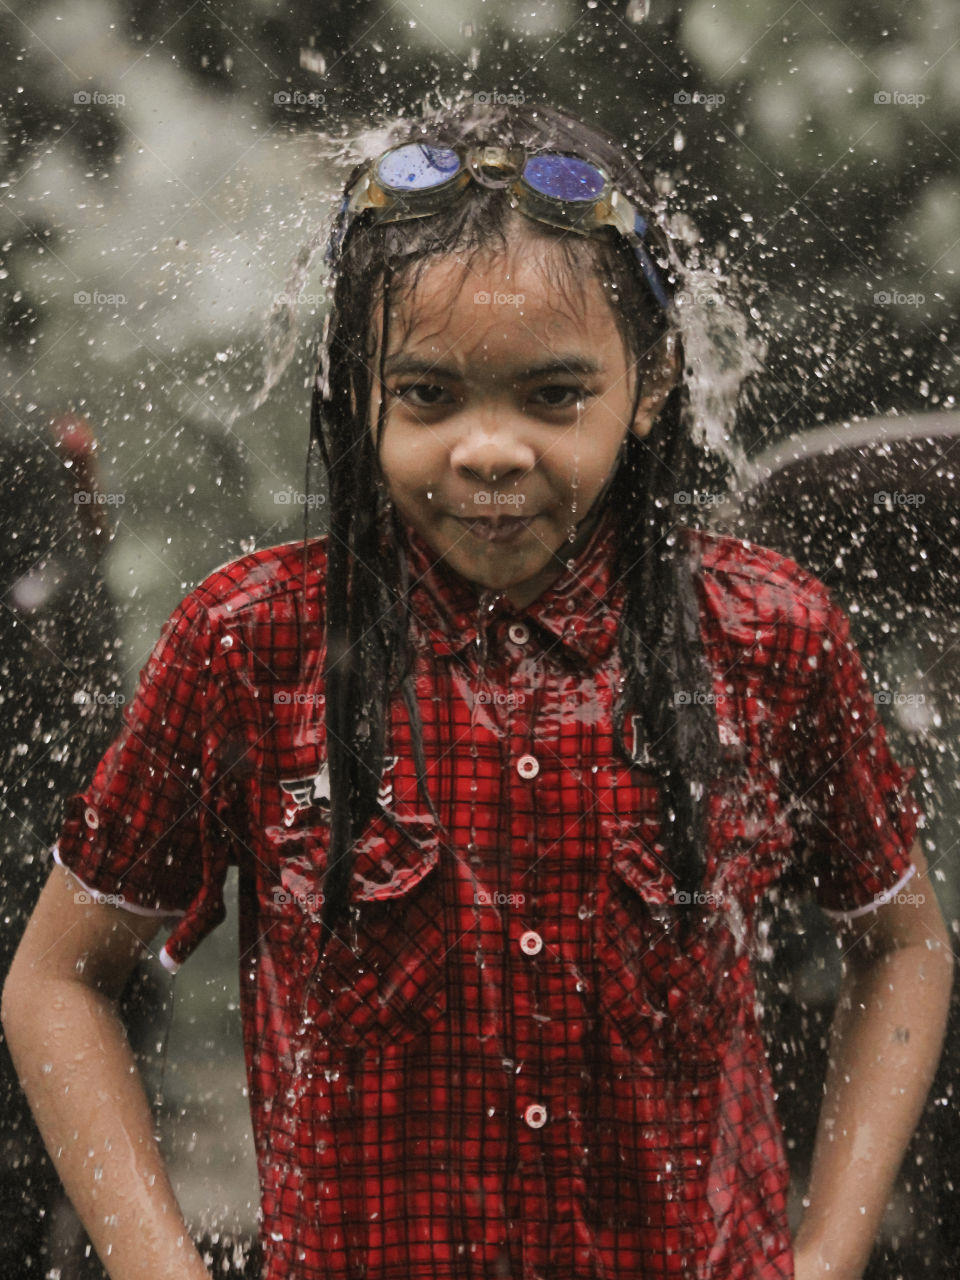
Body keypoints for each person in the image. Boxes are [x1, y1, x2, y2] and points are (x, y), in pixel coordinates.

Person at [1, 99, 953, 1280]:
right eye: (431, 395)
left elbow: (902, 944)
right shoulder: (253, 645)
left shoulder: (766, 637)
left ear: (650, 383)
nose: (489, 448)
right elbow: (57, 979)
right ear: (359, 389)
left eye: (554, 396)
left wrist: (831, 1247)